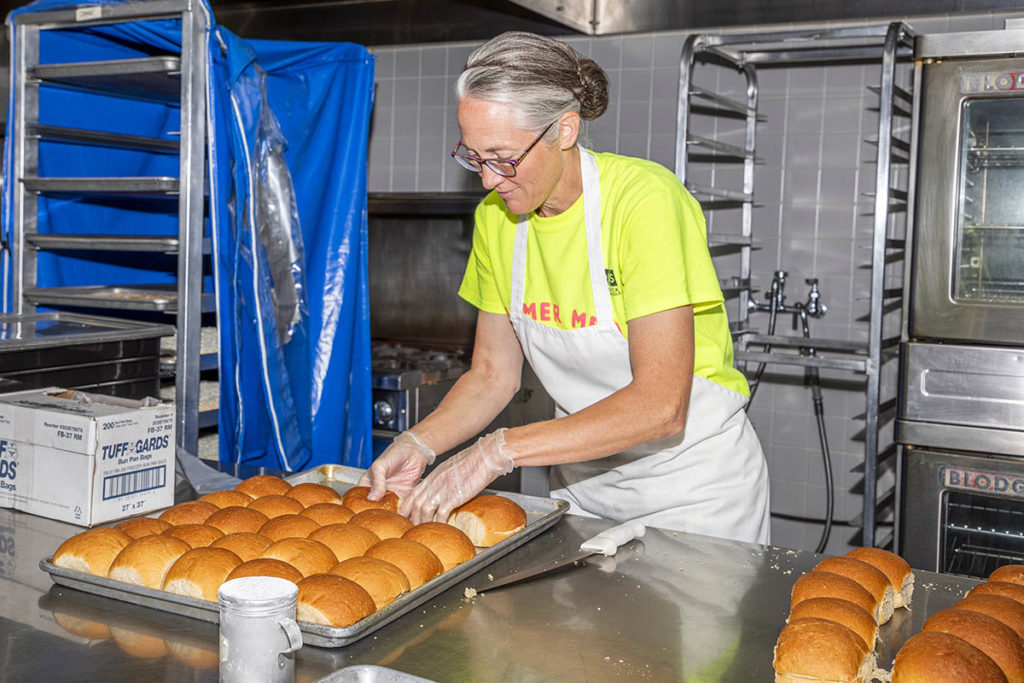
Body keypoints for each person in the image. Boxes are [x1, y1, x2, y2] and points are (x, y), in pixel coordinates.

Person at [358, 31, 770, 544]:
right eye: (473, 156)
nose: (487, 179)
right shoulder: (497, 218)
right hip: (584, 490)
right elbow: (491, 375)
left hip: (693, 495)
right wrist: (418, 443)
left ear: (565, 130)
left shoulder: (644, 202)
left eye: (502, 156)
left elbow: (661, 406)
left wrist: (496, 451)